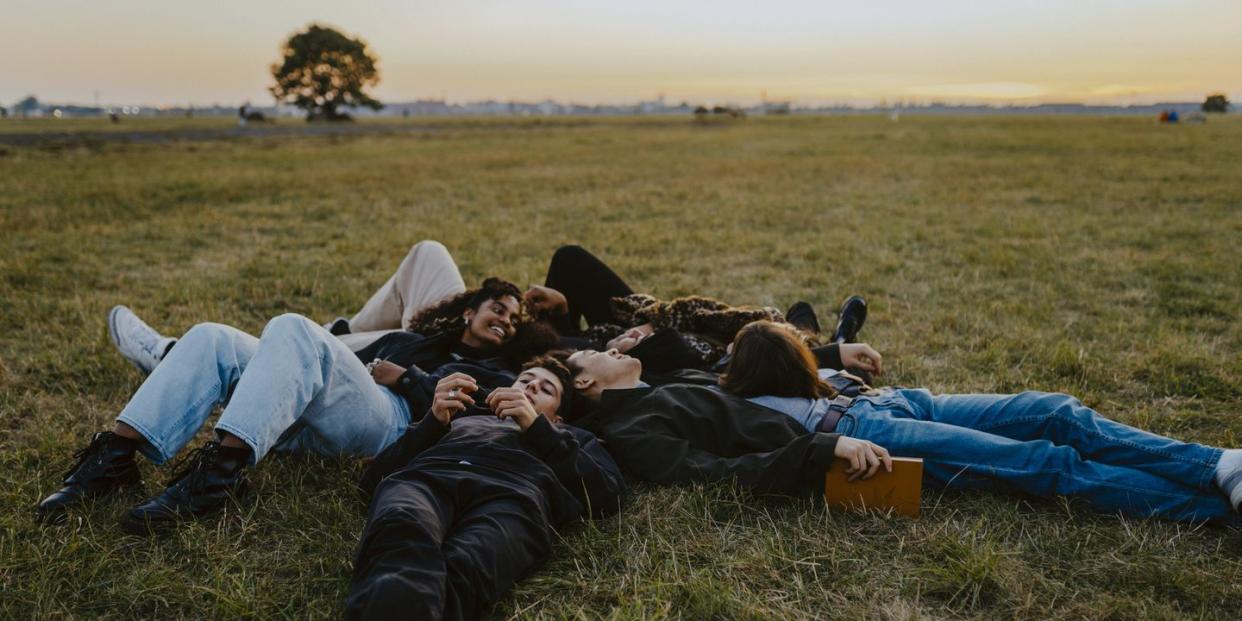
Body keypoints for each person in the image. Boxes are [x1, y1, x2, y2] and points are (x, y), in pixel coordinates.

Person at [575, 320, 1242, 525]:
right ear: (585, 383)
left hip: (885, 402)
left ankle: (1218, 463)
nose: (606, 349)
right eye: (591, 354)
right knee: (1046, 464)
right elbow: (716, 472)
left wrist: (831, 354)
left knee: (1052, 410)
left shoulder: (670, 375)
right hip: (866, 436)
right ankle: (1218, 509)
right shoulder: (636, 426)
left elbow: (736, 353)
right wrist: (827, 449)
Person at [36, 278, 535, 531]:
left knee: (295, 326)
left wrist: (408, 377)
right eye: (498, 309)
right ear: (470, 310)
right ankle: (115, 459)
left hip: (391, 422)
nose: (505, 321)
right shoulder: (417, 337)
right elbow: (347, 352)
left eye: (514, 320)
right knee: (212, 337)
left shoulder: (499, 371)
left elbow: (468, 411)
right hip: (317, 407)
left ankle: (218, 478)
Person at [346, 356, 623, 620]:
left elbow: (607, 496)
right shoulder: (462, 416)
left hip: (513, 496)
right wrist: (433, 421)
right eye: (525, 380)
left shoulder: (570, 437)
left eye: (546, 389)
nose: (531, 387)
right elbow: (373, 480)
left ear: (557, 418)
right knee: (402, 531)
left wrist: (537, 427)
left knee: (468, 565)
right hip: (428, 478)